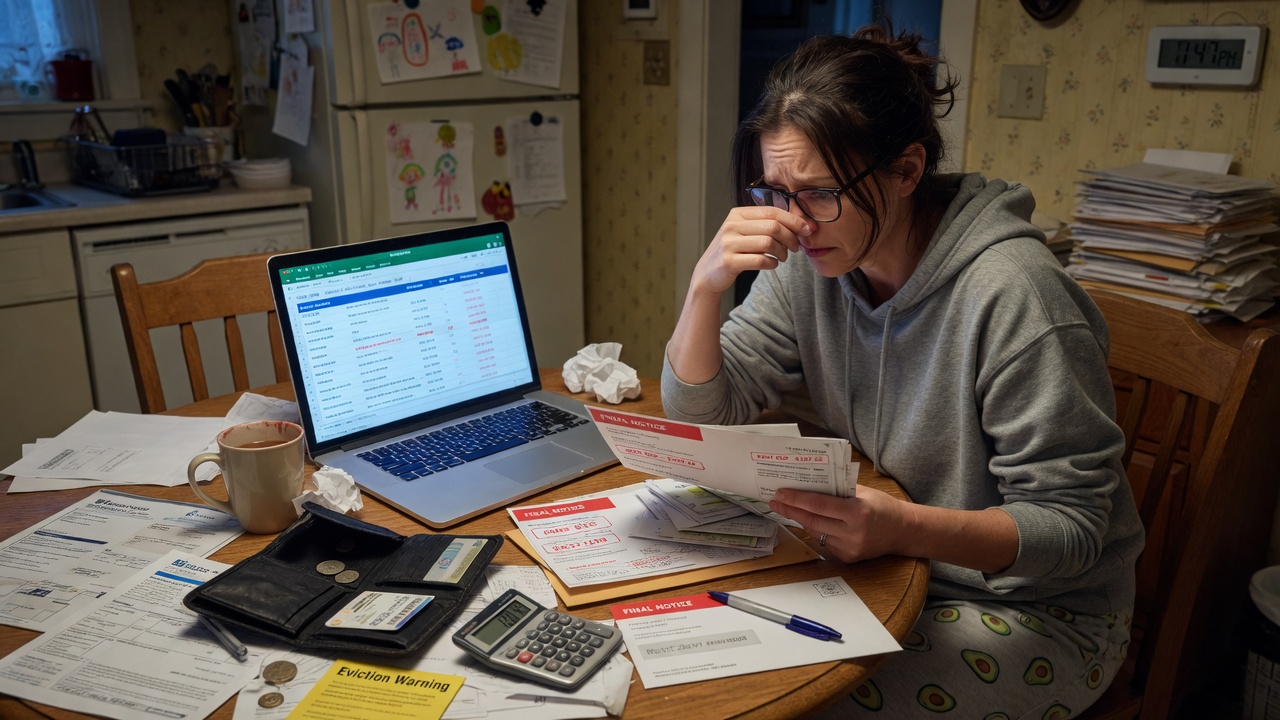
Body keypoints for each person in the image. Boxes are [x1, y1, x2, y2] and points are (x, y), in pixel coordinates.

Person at [661, 25, 1144, 718]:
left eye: (822, 192)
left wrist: (901, 530)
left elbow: (1070, 531)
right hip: (889, 570)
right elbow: (702, 416)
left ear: (908, 170)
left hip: (1038, 615)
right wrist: (704, 288)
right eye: (775, 192)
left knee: (798, 704)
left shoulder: (1016, 296)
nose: (795, 223)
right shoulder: (811, 260)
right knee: (703, 659)